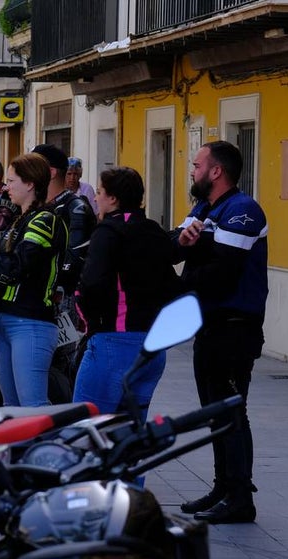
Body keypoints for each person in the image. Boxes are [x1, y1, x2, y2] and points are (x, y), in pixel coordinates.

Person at [174, 140, 268, 525]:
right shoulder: (205, 208)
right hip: (209, 326)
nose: (192, 171)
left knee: (232, 411)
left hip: (235, 328)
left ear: (216, 171)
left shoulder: (243, 211)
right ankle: (222, 486)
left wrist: (193, 251)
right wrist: (186, 242)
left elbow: (223, 269)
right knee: (214, 411)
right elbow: (174, 246)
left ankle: (240, 497)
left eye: (197, 165)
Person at [72, 166, 182, 422]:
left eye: (99, 192)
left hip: (113, 342)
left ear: (113, 198)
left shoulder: (108, 231)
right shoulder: (154, 230)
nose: (95, 198)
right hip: (152, 348)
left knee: (85, 428)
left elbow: (91, 285)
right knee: (128, 436)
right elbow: (172, 286)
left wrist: (89, 322)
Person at [0, 153, 67, 406]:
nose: (6, 187)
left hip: (30, 322)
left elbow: (14, 268)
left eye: (11, 180)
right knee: (11, 406)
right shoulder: (21, 219)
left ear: (30, 184)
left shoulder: (44, 220)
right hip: (5, 318)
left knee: (33, 406)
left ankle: (51, 447)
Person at [32, 144, 95, 299]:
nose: (26, 172)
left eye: (32, 166)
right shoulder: (38, 205)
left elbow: (75, 257)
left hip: (62, 296)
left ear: (51, 172)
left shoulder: (76, 207)